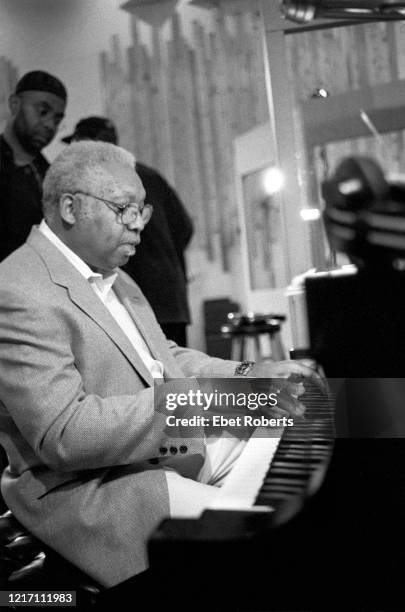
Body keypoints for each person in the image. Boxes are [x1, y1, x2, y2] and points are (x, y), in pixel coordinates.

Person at [0, 141, 316, 595]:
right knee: (270, 540)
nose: (138, 225)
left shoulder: (117, 277)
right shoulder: (18, 288)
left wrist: (249, 377)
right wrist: (198, 404)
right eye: (123, 208)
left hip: (162, 448)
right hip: (94, 488)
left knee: (301, 428)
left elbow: (162, 353)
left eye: (141, 210)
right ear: (69, 207)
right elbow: (64, 435)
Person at [62, 116, 193, 346]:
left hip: (136, 297)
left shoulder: (103, 182)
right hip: (171, 298)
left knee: (150, 374)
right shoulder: (150, 176)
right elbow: (185, 228)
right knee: (173, 373)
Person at [0, 70, 67, 262]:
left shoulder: (53, 177)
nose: (49, 125)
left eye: (57, 119)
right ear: (15, 104)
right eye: (43, 111)